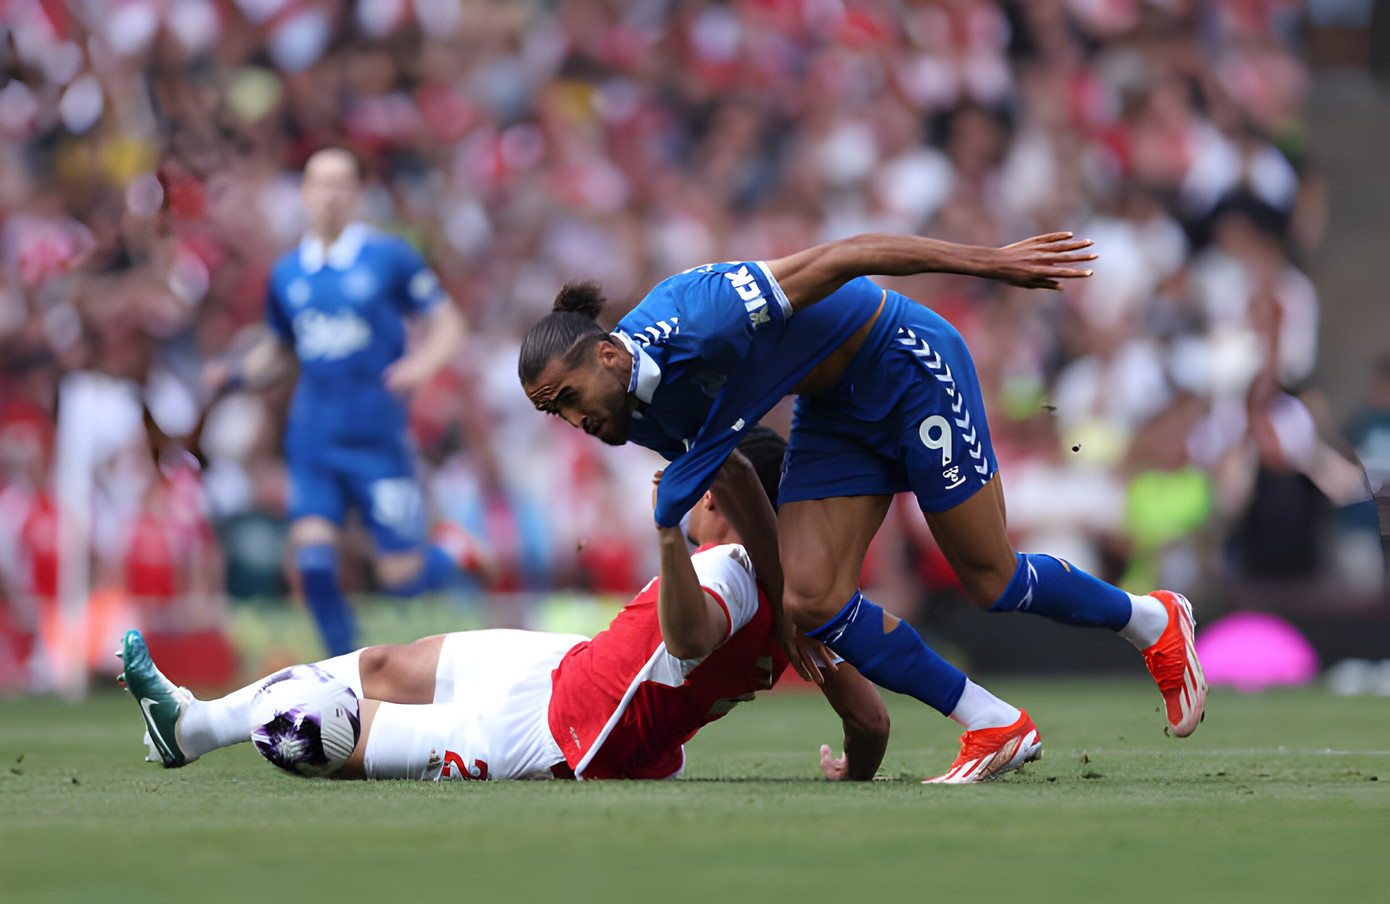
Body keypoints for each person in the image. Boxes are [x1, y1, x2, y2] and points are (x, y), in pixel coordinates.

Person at [517, 231, 1208, 774]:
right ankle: (993, 723)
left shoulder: (700, 313)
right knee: (811, 600)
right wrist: (782, 599)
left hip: (903, 361)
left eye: (570, 399)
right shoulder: (629, 417)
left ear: (608, 356)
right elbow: (731, 477)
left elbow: (847, 256)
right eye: (556, 414)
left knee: (989, 580)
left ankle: (1151, 620)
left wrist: (990, 263)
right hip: (834, 407)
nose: (575, 421)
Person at [118, 428, 1037, 783]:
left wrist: (667, 534)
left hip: (561, 738)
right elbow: (870, 718)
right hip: (566, 669)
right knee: (391, 661)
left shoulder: (728, 573)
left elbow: (688, 632)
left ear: (719, 498)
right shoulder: (807, 605)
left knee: (316, 731)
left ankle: (237, 729)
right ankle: (192, 728)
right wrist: (860, 770)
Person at [204, 146, 483, 657]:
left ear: (355, 194)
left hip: (378, 438)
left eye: (340, 184)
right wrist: (237, 373)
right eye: (319, 184)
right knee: (312, 562)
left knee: (402, 578)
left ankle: (450, 553)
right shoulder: (288, 274)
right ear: (306, 194)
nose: (329, 196)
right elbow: (279, 348)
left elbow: (449, 323)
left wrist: (418, 368)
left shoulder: (389, 257)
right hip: (313, 437)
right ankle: (344, 672)